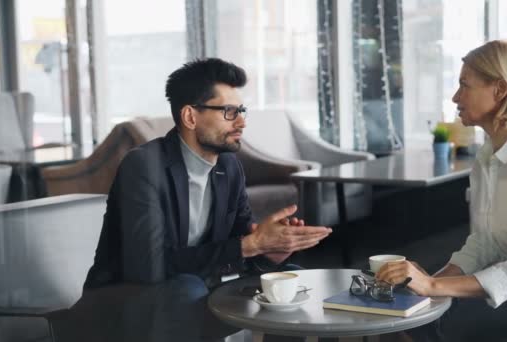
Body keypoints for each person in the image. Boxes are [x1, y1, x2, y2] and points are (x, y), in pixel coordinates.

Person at [82, 58, 333, 340]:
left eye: (241, 110)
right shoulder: (143, 166)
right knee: (188, 288)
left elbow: (237, 247)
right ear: (190, 116)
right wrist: (249, 245)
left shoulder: (229, 167)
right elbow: (148, 266)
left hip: (198, 286)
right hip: (125, 301)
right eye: (229, 111)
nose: (242, 121)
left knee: (288, 277)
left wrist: (270, 253)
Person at [377, 40, 507, 341]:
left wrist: (432, 288)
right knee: (403, 315)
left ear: (499, 90)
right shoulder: (488, 154)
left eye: (464, 85)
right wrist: (430, 282)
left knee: (433, 325)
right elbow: (485, 243)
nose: (455, 96)